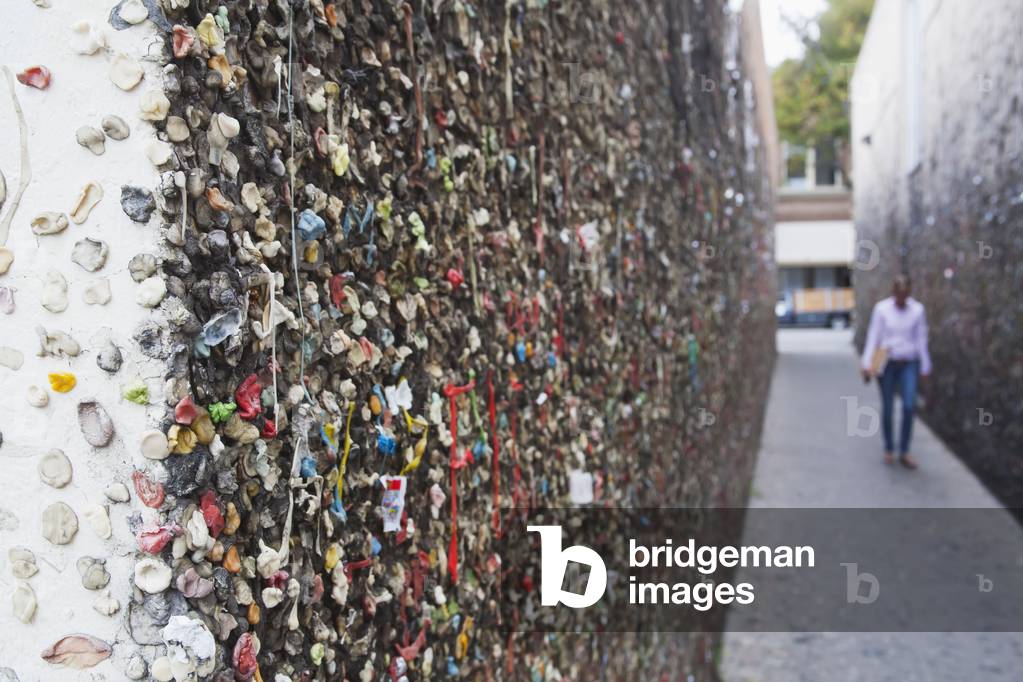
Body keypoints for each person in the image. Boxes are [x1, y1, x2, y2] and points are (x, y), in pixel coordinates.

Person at [860, 274, 932, 469]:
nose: (901, 296)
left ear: (909, 292)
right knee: (889, 407)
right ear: (893, 292)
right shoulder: (882, 310)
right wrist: (867, 362)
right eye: (898, 292)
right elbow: (873, 336)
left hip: (909, 362)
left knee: (909, 406)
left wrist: (925, 364)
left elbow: (921, 338)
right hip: (888, 363)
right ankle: (889, 448)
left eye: (904, 293)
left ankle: (904, 450)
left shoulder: (917, 311)